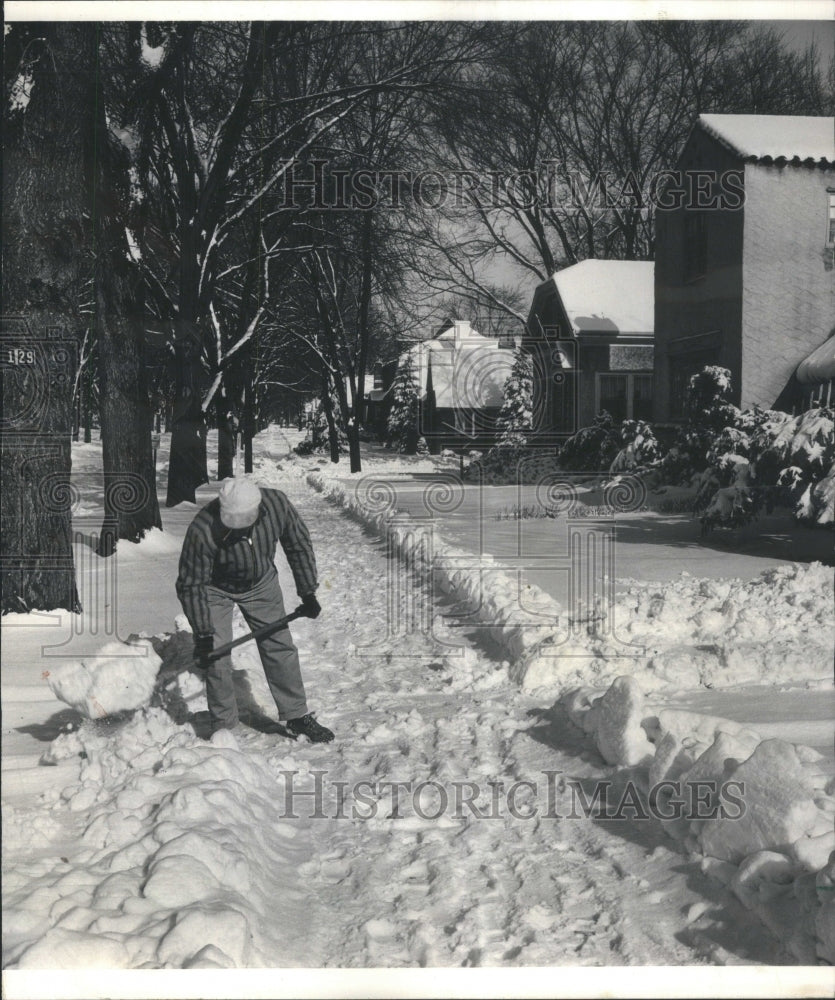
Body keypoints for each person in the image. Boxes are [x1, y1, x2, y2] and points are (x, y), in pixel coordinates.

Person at [176, 476, 334, 743]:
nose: (238, 530)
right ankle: (224, 726)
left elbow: (298, 543)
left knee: (279, 646)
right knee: (217, 656)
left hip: (261, 583)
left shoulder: (277, 504)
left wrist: (307, 591)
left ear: (258, 509)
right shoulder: (203, 529)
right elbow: (191, 585)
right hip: (215, 589)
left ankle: (296, 715)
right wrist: (203, 634)